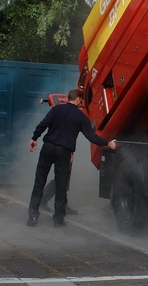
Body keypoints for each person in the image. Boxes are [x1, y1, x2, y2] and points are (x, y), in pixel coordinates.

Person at [27, 89, 116, 227]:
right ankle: (58, 220)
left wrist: (34, 138)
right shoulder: (80, 117)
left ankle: (32, 217)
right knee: (61, 184)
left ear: (68, 98)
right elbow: (91, 137)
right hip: (63, 152)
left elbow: (43, 124)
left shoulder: (56, 110)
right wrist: (107, 143)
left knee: (39, 181)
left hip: (48, 147)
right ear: (79, 99)